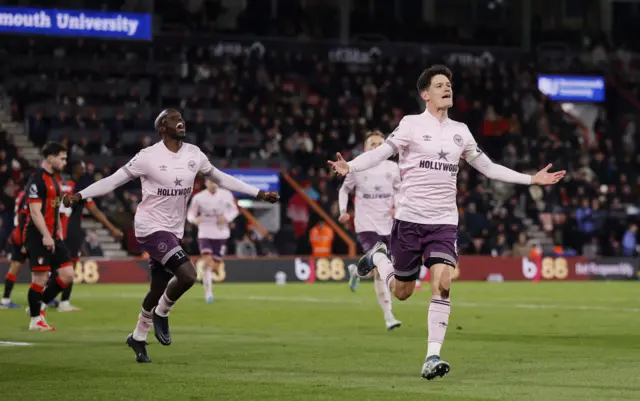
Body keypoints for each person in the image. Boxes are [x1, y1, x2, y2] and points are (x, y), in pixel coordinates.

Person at [328, 65, 566, 380]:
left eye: (449, 84)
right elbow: (382, 153)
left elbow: (490, 168)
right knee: (403, 292)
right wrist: (351, 166)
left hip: (443, 222)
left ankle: (432, 356)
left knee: (442, 284)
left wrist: (530, 179)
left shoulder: (461, 132)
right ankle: (378, 258)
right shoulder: (411, 125)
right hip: (409, 221)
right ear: (425, 94)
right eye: (439, 85)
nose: (446, 88)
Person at [63, 109, 279, 363]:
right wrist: (81, 195)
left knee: (157, 287)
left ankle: (138, 337)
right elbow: (113, 181)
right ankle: (162, 312)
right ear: (161, 128)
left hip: (173, 229)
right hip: (149, 226)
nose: (180, 121)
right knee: (187, 274)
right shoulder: (148, 156)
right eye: (173, 118)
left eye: (181, 118)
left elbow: (220, 178)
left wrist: (258, 193)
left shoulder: (194, 154)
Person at [338, 130, 402, 331]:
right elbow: (344, 189)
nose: (376, 147)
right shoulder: (357, 166)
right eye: (372, 144)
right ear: (366, 148)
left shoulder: (393, 168)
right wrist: (343, 210)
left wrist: (397, 207)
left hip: (389, 225)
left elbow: (402, 191)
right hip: (366, 225)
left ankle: (356, 271)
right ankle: (389, 316)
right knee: (379, 268)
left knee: (376, 270)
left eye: (379, 143)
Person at [48, 160, 124, 312]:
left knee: (57, 266)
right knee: (71, 266)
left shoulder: (59, 185)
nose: (84, 169)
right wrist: (112, 229)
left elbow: (51, 205)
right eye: (82, 167)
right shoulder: (80, 190)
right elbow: (95, 212)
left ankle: (47, 298)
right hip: (71, 230)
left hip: (55, 229)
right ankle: (64, 302)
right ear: (77, 170)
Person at [25, 142, 76, 331]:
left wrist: (58, 232)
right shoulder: (37, 179)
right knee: (39, 279)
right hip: (38, 236)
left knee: (68, 274)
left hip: (54, 235)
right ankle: (35, 320)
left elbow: (54, 208)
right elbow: (35, 212)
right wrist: (46, 235)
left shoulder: (55, 179)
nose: (64, 162)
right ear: (50, 157)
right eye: (61, 158)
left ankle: (40, 305)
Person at [186, 177, 238, 303]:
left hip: (221, 233)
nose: (213, 184)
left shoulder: (226, 195)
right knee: (207, 262)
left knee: (215, 264)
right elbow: (190, 214)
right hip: (205, 231)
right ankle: (208, 293)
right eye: (210, 182)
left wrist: (226, 218)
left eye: (215, 182)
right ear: (206, 183)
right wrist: (194, 220)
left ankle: (211, 274)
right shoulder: (199, 197)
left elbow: (234, 211)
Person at [0, 190, 28, 309]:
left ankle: (5, 300)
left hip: (20, 234)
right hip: (23, 236)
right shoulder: (29, 196)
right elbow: (23, 219)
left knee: (15, 266)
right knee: (42, 268)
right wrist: (24, 242)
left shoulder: (22, 194)